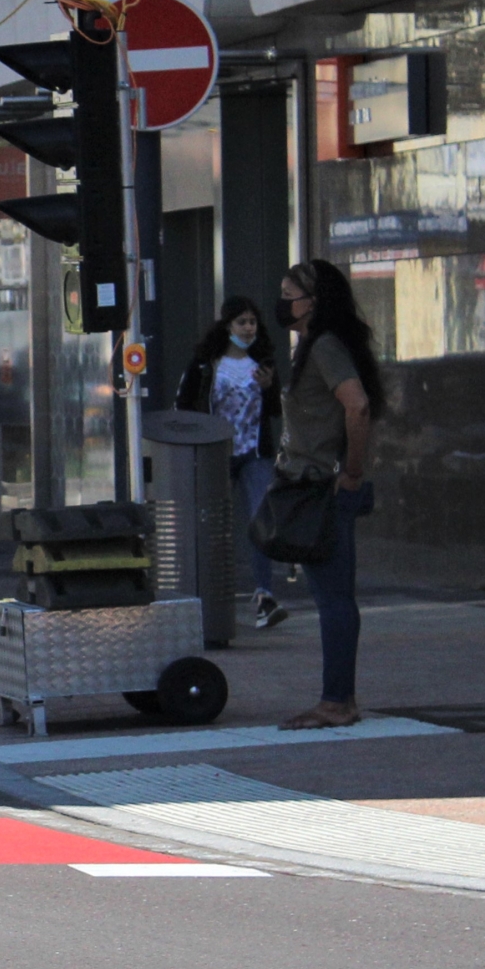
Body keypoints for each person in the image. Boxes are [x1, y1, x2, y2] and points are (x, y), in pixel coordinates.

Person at [272, 259, 384, 730]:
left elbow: (357, 405)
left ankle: (338, 700)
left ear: (314, 303)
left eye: (289, 295)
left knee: (334, 597)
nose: (283, 304)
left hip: (322, 487)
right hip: (310, 483)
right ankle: (338, 697)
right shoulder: (313, 347)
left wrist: (352, 474)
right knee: (331, 593)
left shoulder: (324, 347)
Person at [177, 297, 285, 629]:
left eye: (253, 322)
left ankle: (264, 597)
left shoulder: (262, 364)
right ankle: (206, 597)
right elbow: (185, 405)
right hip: (216, 455)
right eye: (242, 322)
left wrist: (269, 389)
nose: (248, 328)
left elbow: (275, 412)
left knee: (259, 522)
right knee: (212, 526)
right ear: (228, 326)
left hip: (254, 454)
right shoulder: (206, 364)